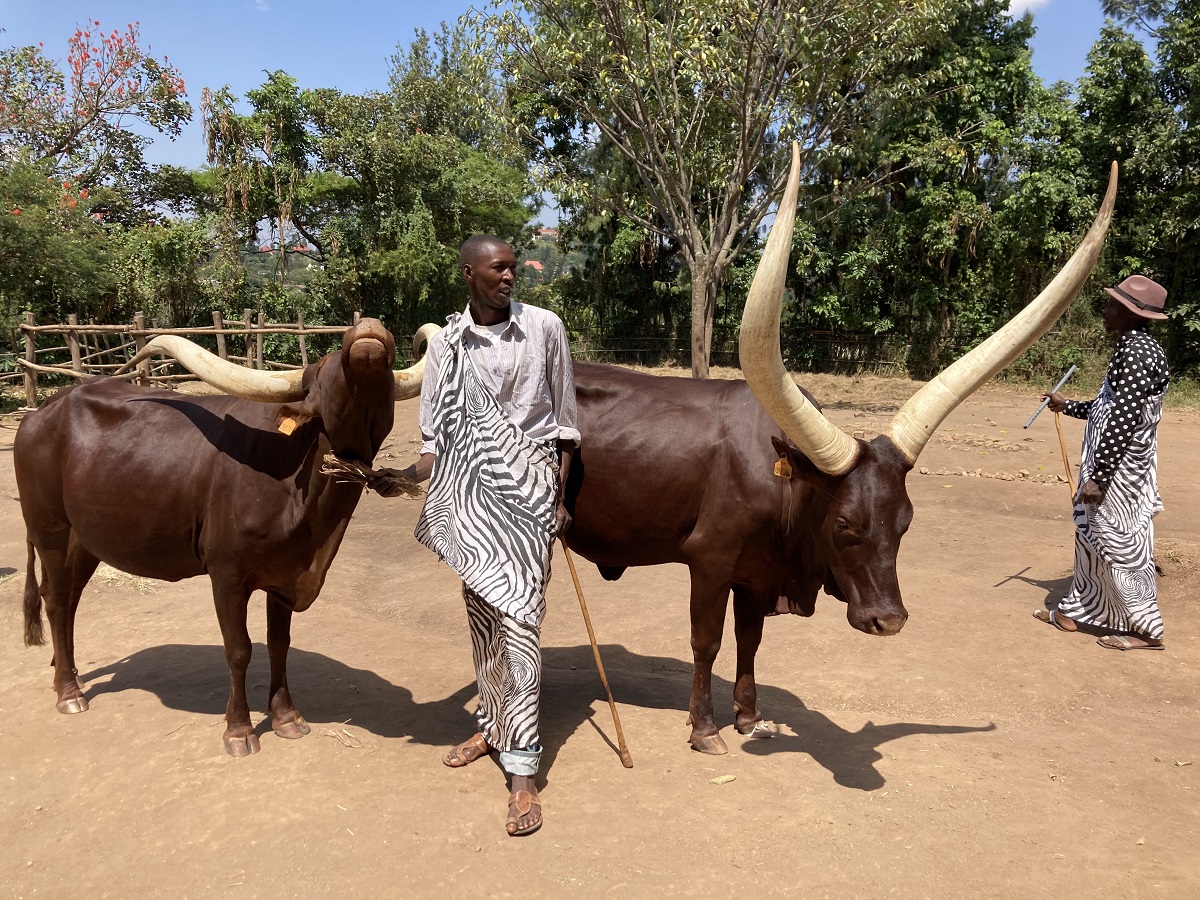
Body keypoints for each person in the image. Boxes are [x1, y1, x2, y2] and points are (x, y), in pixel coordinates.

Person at [398, 234, 579, 836]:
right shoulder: (446, 347)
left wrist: (557, 497)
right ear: (469, 273)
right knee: (483, 624)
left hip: (529, 497)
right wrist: (402, 476)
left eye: (511, 267)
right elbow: (432, 441)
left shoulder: (546, 328)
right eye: (498, 268)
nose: (509, 276)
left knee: (523, 629)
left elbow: (566, 427)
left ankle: (523, 774)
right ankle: (492, 725)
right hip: (470, 497)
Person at [1034, 274, 1170, 650]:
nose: (1105, 311)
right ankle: (1075, 611)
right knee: (1090, 540)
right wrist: (1068, 406)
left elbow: (1125, 420)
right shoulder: (1132, 347)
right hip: (1114, 470)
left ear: (1130, 313)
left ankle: (1147, 629)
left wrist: (1100, 477)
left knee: (1120, 544)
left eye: (1113, 305)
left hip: (1120, 475)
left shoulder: (1138, 353)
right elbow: (1109, 408)